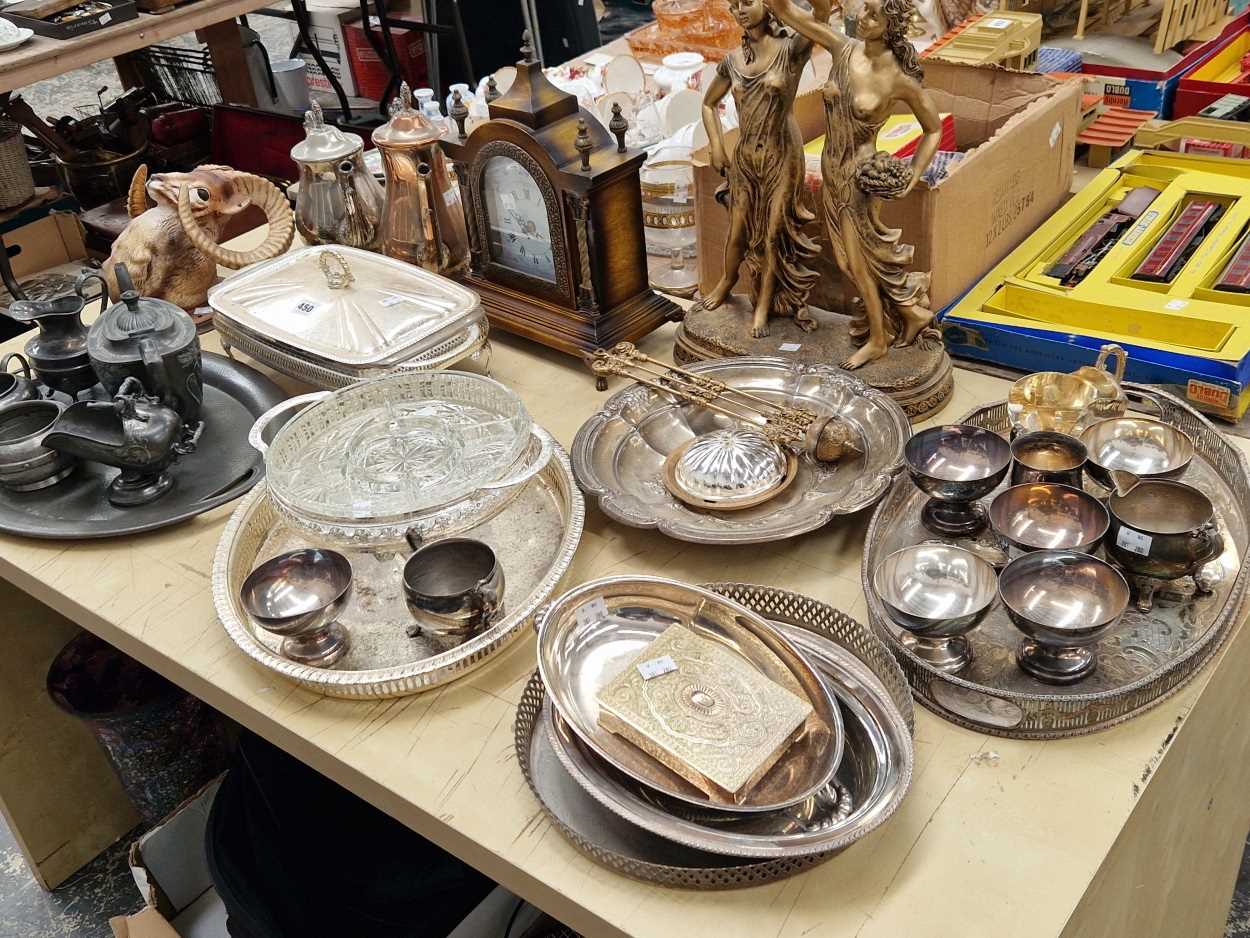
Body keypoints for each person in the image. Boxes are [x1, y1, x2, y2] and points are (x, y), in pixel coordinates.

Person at [768, 0, 942, 369]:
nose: (863, 18)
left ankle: (879, 339)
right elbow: (787, 12)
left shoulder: (898, 79)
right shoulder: (842, 48)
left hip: (859, 181)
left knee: (857, 263)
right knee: (851, 260)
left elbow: (933, 128)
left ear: (890, 24)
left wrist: (912, 175)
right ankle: (911, 314)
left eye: (874, 14)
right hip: (830, 171)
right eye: (864, 9)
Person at [697, 0, 827, 337]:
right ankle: (726, 282)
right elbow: (709, 104)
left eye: (748, 2)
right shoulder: (732, 61)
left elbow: (822, 15)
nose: (740, 9)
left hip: (781, 154)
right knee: (737, 230)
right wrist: (716, 146)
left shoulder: (792, 50)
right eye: (734, 4)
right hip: (744, 156)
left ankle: (764, 306)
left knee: (772, 236)